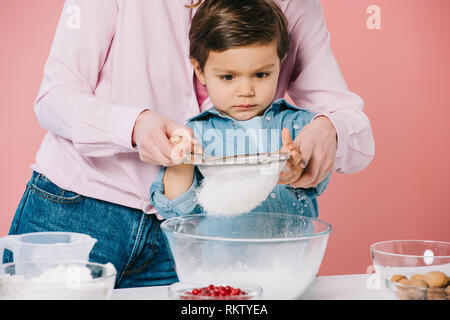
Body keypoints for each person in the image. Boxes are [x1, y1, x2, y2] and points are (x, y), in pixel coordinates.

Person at [5, 0, 375, 289]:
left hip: (200, 235)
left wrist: (328, 131)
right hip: (78, 209)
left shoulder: (295, 6)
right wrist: (133, 126)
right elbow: (55, 98)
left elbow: (349, 125)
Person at [149, 0, 331, 219]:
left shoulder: (299, 126)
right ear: (200, 70)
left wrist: (297, 172)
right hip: (221, 253)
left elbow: (316, 176)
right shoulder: (195, 134)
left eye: (261, 75)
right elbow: (175, 210)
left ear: (280, 63)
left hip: (288, 251)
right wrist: (182, 160)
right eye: (228, 77)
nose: (246, 91)